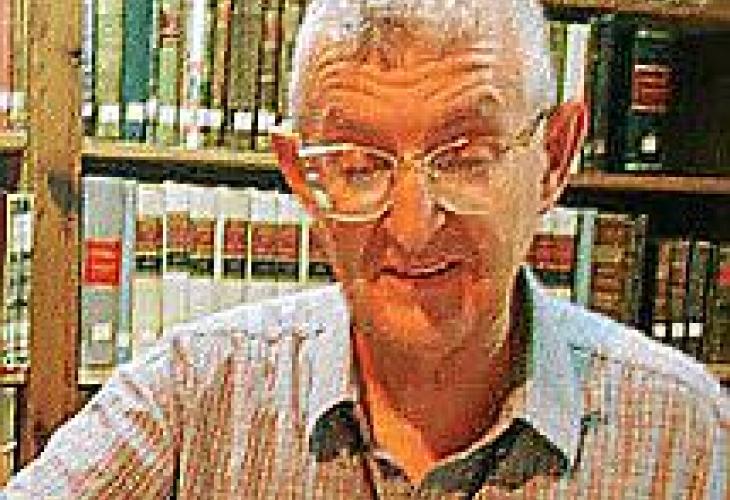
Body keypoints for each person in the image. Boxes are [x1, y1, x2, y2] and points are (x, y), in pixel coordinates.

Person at [3, 0, 728, 498]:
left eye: (465, 157)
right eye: (357, 165)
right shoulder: (192, 393)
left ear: (554, 158)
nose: (412, 227)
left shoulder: (687, 436)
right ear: (303, 178)